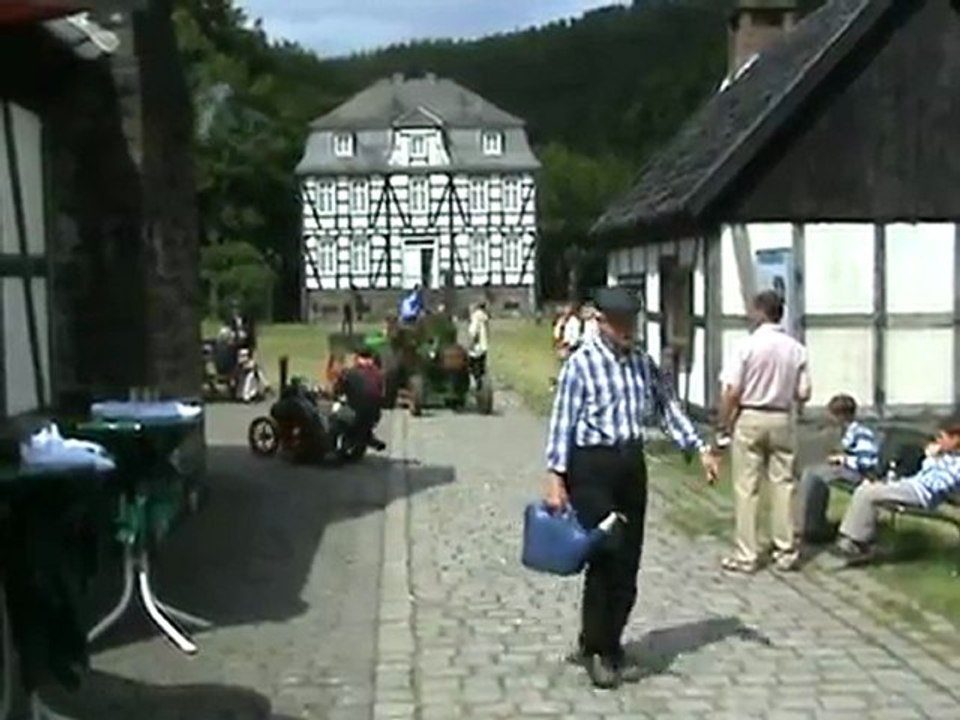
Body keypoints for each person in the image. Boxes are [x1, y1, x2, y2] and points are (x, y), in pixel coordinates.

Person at [544, 286, 720, 689]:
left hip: (629, 466)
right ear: (601, 322)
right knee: (607, 554)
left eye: (632, 323)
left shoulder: (642, 363)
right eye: (619, 323)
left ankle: (608, 639)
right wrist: (555, 478)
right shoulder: (581, 364)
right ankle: (598, 650)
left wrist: (699, 447)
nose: (627, 331)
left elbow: (667, 407)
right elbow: (561, 422)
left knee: (628, 563)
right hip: (591, 467)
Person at [717, 290, 811, 573]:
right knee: (784, 485)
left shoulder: (746, 346)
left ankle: (747, 553)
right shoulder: (796, 349)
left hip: (751, 414)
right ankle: (786, 549)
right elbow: (804, 392)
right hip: (781, 416)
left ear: (759, 311)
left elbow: (733, 390)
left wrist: (724, 423)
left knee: (747, 487)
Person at [834, 417, 960, 563]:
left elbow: (937, 484)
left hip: (921, 493)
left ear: (956, 439)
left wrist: (931, 459)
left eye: (941, 437)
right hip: (911, 486)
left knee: (866, 493)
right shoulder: (948, 456)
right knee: (866, 489)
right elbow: (927, 474)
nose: (937, 441)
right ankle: (852, 541)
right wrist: (933, 459)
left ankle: (855, 544)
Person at [797, 394, 879, 543]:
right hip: (848, 469)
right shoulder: (847, 431)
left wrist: (843, 460)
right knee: (811, 472)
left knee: (816, 476)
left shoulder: (861, 433)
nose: (832, 420)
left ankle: (813, 527)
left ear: (842, 416)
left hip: (860, 473)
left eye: (834, 416)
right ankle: (810, 523)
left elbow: (867, 461)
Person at [334, 349, 387, 451]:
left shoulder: (350, 373)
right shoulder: (379, 374)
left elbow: (338, 390)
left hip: (355, 412)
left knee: (334, 418)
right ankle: (367, 437)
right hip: (374, 414)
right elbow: (382, 394)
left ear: (357, 359)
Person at [467, 301, 490, 387]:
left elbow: (474, 332)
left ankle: (476, 382)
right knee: (481, 365)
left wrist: (471, 344)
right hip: (484, 345)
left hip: (476, 346)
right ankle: (481, 382)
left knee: (473, 365)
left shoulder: (475, 318)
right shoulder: (484, 318)